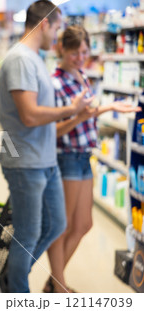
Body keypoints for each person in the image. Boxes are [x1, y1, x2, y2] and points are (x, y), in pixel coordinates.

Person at [0, 0, 94, 293]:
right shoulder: (21, 59)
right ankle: (16, 292)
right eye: (57, 27)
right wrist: (72, 110)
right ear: (44, 24)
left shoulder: (36, 58)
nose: (58, 34)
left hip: (45, 160)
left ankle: (14, 276)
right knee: (28, 234)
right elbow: (29, 114)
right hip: (26, 162)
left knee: (55, 226)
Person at [44, 25, 141, 293]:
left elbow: (87, 112)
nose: (80, 57)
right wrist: (80, 117)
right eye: (75, 53)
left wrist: (109, 106)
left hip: (85, 156)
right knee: (62, 228)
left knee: (84, 224)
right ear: (62, 49)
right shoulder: (55, 82)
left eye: (84, 52)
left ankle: (54, 281)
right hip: (67, 157)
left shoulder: (82, 75)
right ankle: (58, 285)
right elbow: (52, 130)